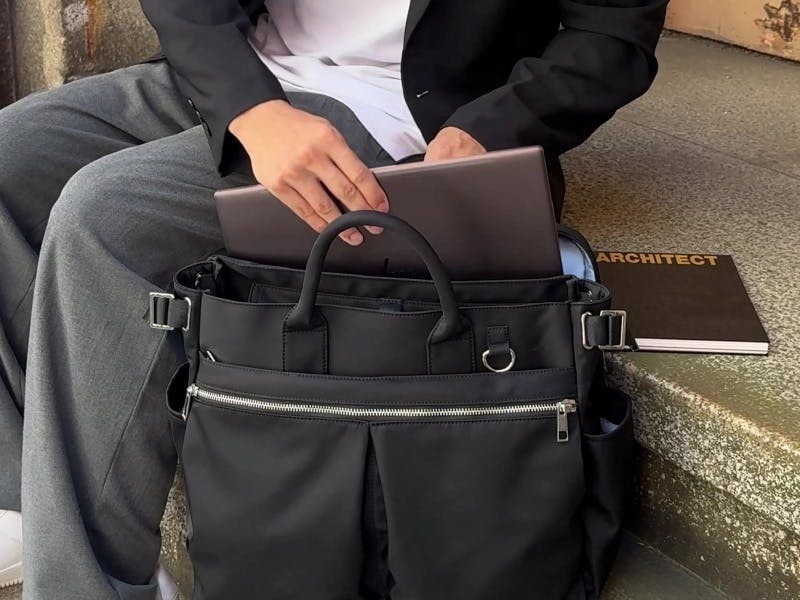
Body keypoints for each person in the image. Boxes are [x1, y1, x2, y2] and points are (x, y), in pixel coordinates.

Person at [0, 0, 667, 597]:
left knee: (107, 217)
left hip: (402, 125)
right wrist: (251, 106)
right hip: (240, 75)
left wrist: (492, 130)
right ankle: (23, 503)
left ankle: (83, 585)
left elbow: (614, 36)